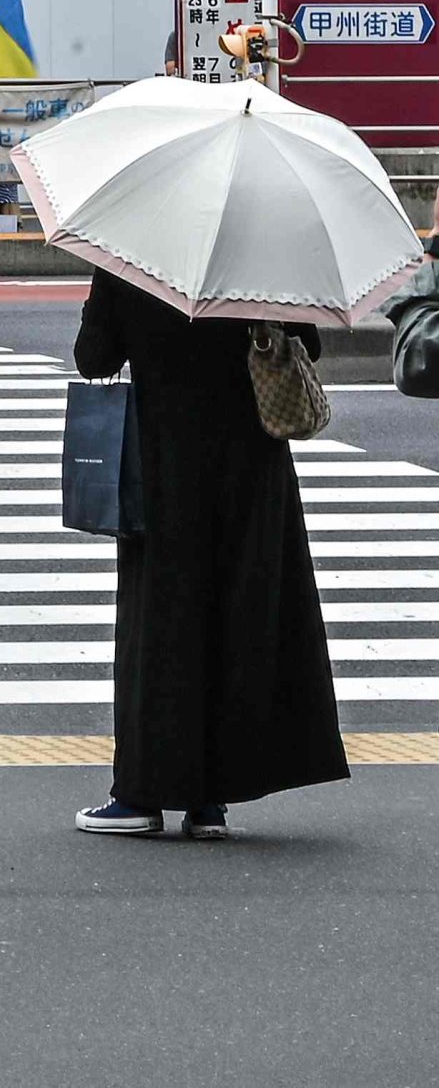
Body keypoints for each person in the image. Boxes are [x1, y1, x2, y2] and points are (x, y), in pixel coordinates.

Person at [71, 270, 345, 840]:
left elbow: (93, 359)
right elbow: (308, 346)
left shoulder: (134, 255)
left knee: (160, 622)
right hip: (249, 465)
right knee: (235, 615)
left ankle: (140, 794)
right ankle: (210, 802)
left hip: (163, 461)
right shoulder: (261, 253)